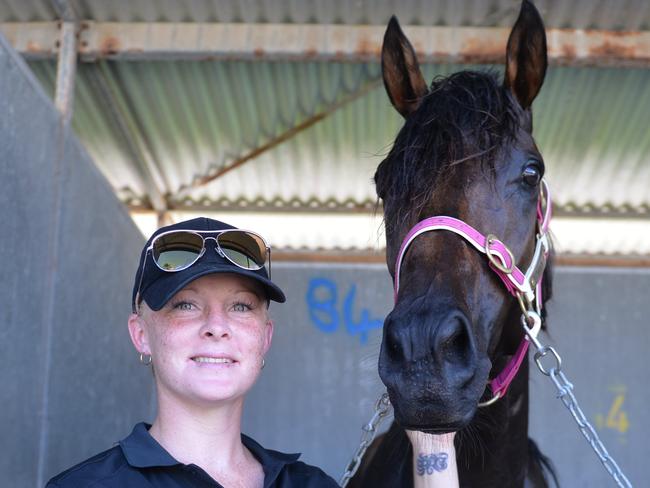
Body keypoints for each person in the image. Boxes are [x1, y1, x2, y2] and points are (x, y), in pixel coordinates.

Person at [46, 217, 459, 488]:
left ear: (264, 338)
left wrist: (432, 441)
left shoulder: (307, 486)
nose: (216, 325)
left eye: (241, 306)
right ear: (141, 335)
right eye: (185, 305)